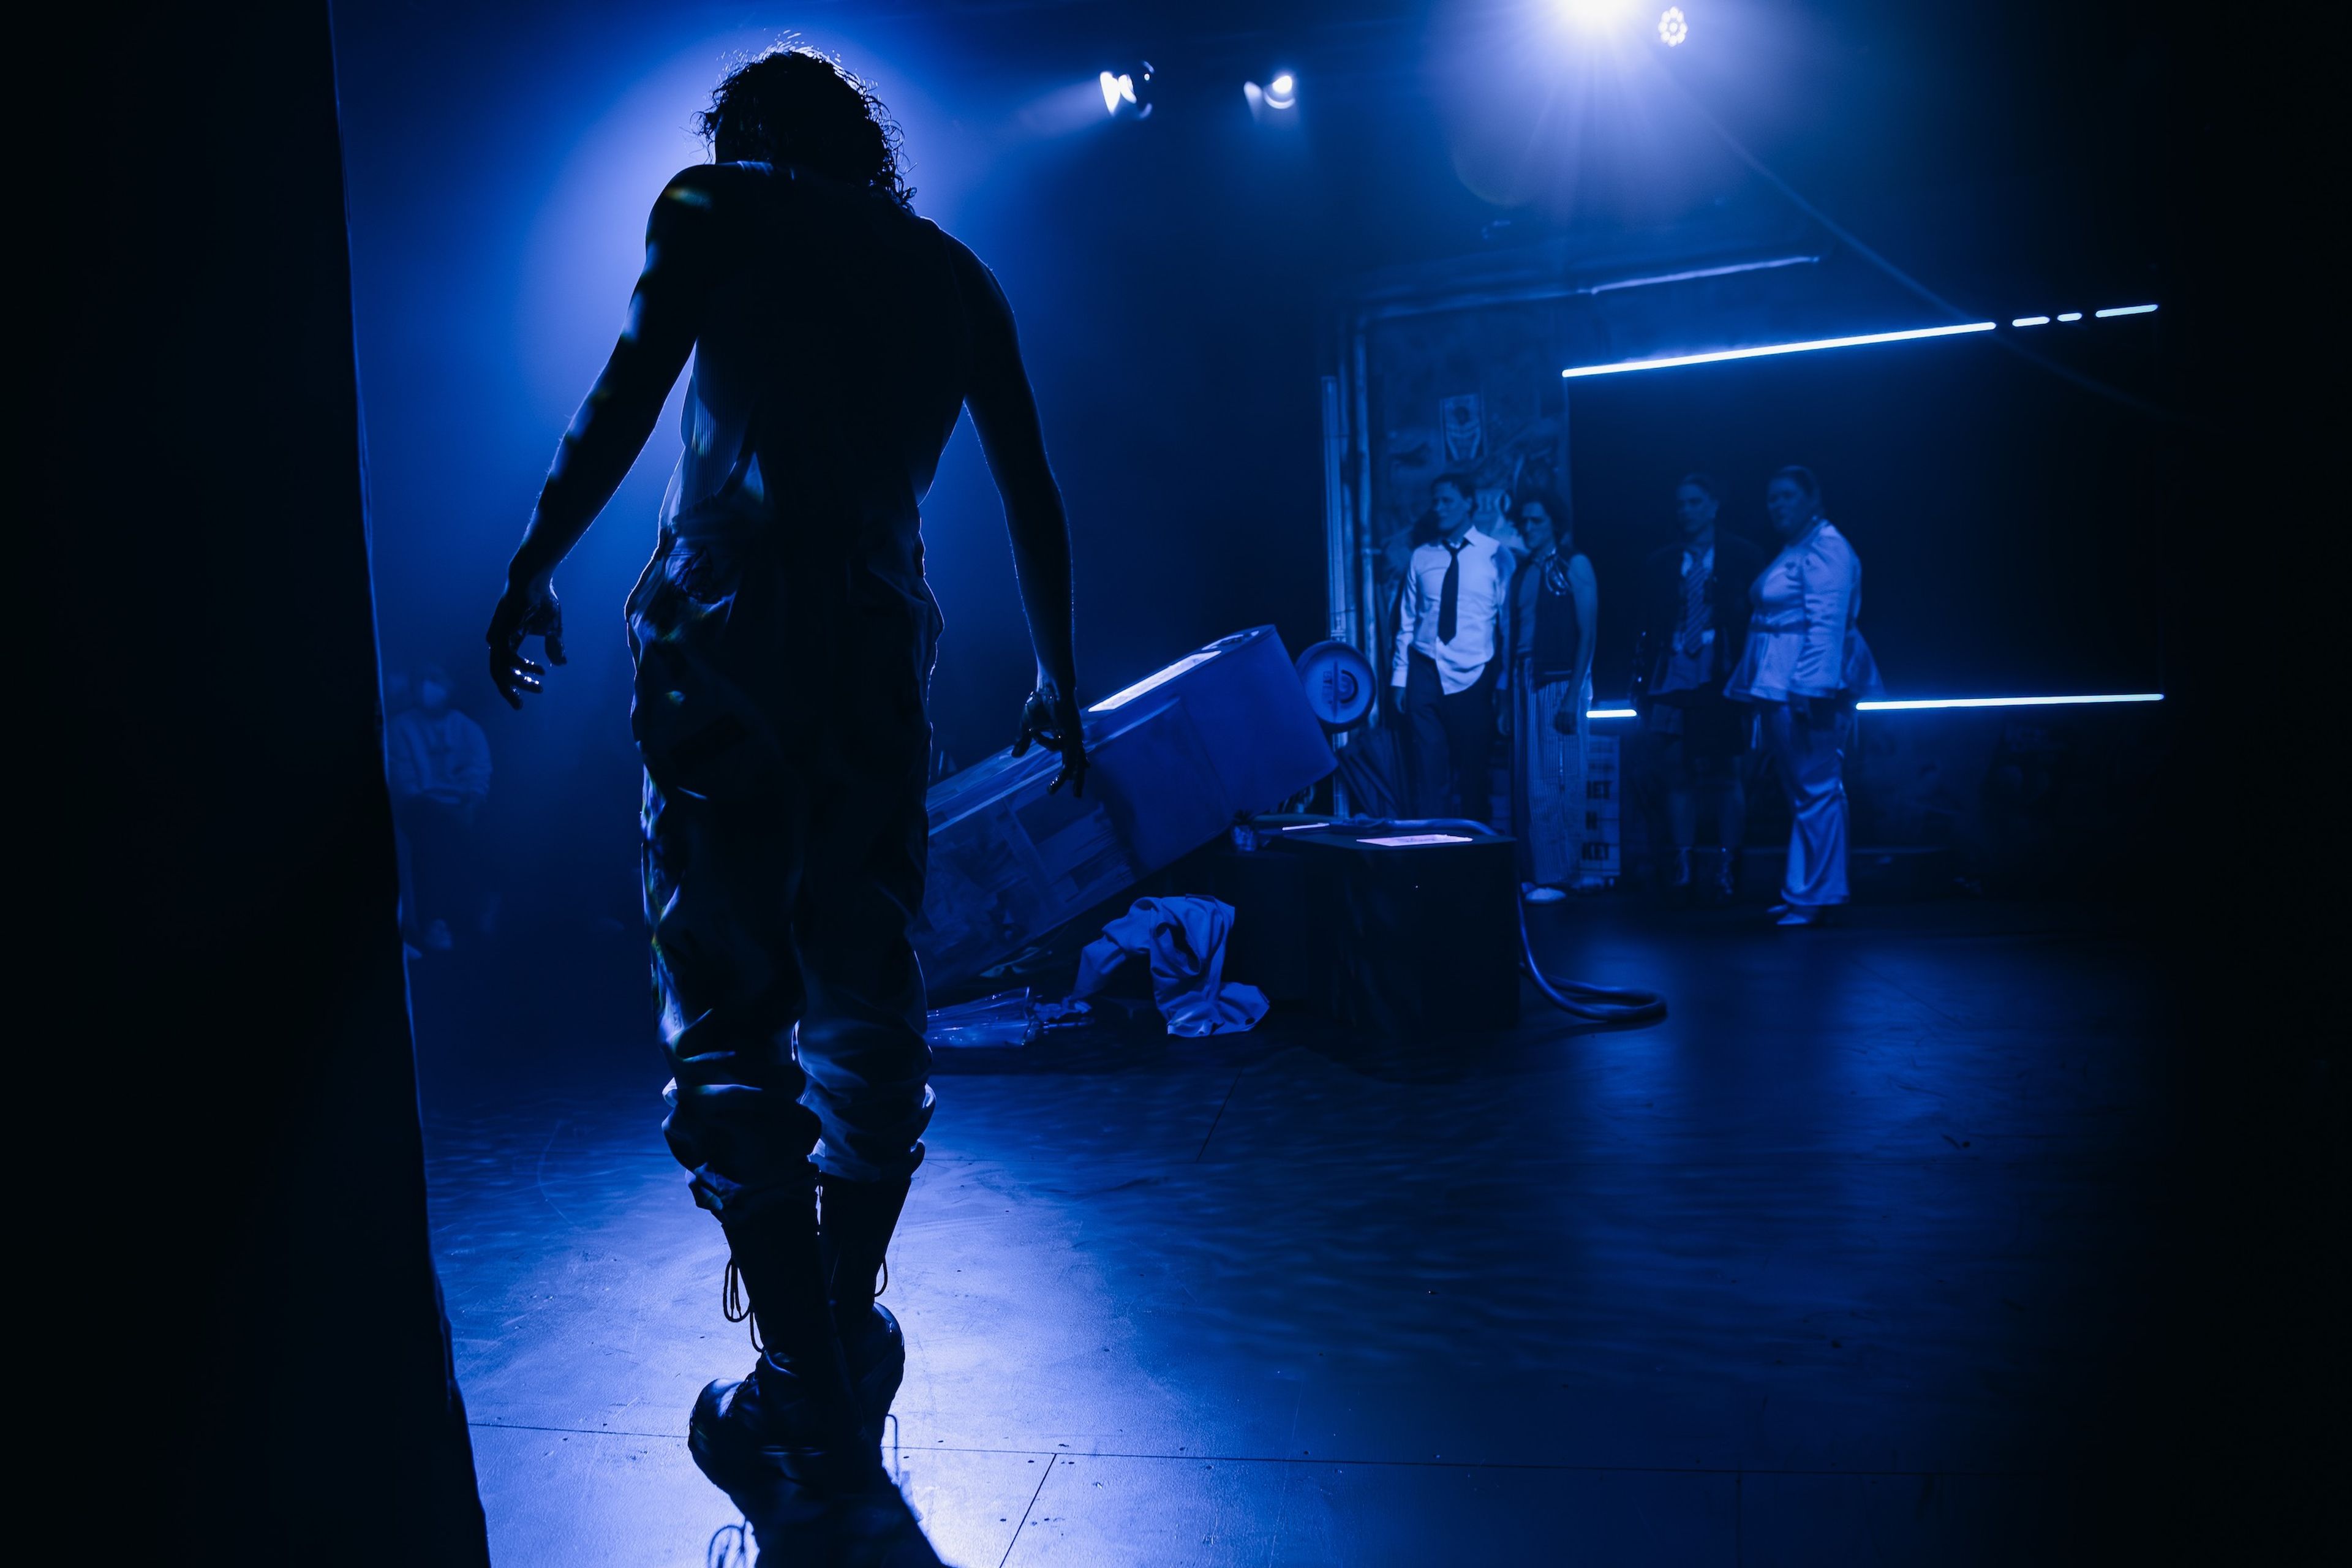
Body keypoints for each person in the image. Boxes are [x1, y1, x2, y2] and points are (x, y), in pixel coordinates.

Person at [481, 46, 1087, 1564]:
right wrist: (1061, 675)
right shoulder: (954, 277)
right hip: (879, 647)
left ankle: (803, 1381)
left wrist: (535, 559)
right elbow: (1030, 491)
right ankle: (844, 1330)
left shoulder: (714, 208)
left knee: (726, 1002)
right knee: (867, 988)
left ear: (747, 137)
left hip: (727, 642)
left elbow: (626, 395)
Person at [1725, 465, 1873, 927]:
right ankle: (1806, 889)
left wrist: (1812, 689)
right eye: (1772, 498)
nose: (1777, 505)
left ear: (1812, 499)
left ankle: (1813, 895)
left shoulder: (1827, 548)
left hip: (1804, 687)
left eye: (1787, 496)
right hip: (1780, 683)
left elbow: (1827, 626)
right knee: (1805, 791)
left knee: (1817, 789)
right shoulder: (1800, 547)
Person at [1634, 474, 1766, 901]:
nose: (1686, 510)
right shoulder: (1661, 562)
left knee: (1727, 772)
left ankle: (1728, 864)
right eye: (1681, 503)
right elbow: (1647, 626)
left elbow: (1754, 619)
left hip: (1721, 670)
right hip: (1673, 668)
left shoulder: (1743, 556)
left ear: (1713, 506)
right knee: (1675, 768)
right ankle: (1684, 862)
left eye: (1695, 502)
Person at [1391, 472, 1510, 824]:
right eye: (1436, 501)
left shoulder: (1495, 555)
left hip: (1475, 676)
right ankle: (1433, 861)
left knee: (1473, 778)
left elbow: (1507, 626)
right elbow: (1408, 621)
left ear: (1470, 503)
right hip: (1425, 671)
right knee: (1429, 778)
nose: (1439, 508)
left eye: (1447, 501)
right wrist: (1400, 679)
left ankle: (1475, 863)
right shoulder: (1421, 557)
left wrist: (1502, 684)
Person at [1500, 488, 1597, 902]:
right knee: (1530, 782)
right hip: (1526, 677)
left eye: (1537, 521)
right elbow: (1513, 636)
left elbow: (1588, 633)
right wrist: (1506, 696)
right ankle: (1540, 870)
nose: (1528, 528)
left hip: (1559, 679)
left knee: (1561, 778)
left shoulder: (1573, 564)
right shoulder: (1523, 572)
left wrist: (1573, 695)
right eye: (1524, 522)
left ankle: (1562, 874)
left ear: (1554, 522)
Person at [384, 664, 492, 951]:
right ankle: (435, 921)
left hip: (463, 805)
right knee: (433, 838)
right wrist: (443, 809)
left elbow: (479, 769)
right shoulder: (400, 727)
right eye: (424, 680)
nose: (429, 687)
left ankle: (480, 911)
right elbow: (403, 780)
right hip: (422, 808)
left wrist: (472, 799)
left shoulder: (466, 727)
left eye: (436, 679)